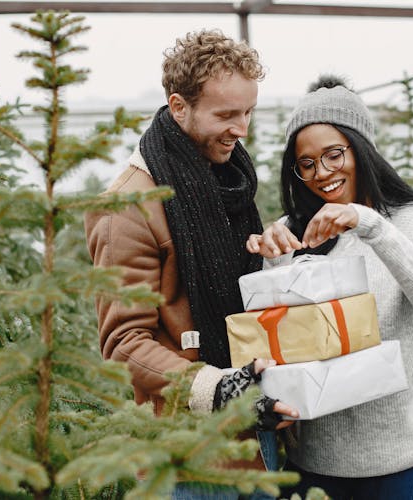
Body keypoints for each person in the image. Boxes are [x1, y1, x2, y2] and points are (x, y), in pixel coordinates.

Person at [84, 29, 296, 498]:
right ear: (179, 107)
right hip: (186, 459)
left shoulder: (223, 181)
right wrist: (220, 390)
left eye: (248, 112)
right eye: (226, 115)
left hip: (254, 436)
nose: (242, 129)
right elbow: (123, 344)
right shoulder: (129, 207)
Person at [245, 75, 413, 499]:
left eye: (333, 155)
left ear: (361, 149)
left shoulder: (412, 222)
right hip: (313, 461)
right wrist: (267, 259)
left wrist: (370, 225)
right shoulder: (292, 233)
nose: (321, 174)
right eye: (306, 163)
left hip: (399, 455)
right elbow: (272, 345)